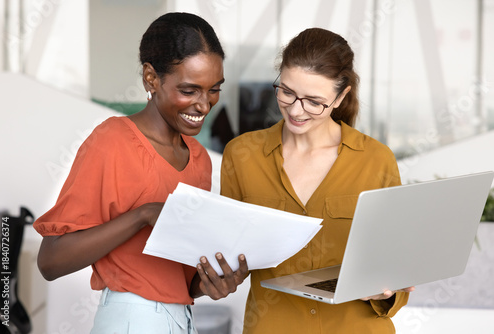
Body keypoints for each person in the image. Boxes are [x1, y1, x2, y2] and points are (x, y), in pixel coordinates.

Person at [34, 12, 248, 334]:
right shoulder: (112, 142)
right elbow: (50, 262)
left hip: (183, 321)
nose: (204, 105)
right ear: (151, 78)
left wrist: (212, 283)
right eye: (190, 90)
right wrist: (143, 215)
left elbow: (178, 282)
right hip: (131, 320)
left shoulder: (200, 159)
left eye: (213, 89)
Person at [220, 28, 413, 333]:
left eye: (314, 101)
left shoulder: (376, 159)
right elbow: (229, 254)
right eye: (286, 92)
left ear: (341, 97)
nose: (296, 110)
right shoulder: (241, 155)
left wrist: (387, 290)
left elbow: (397, 264)